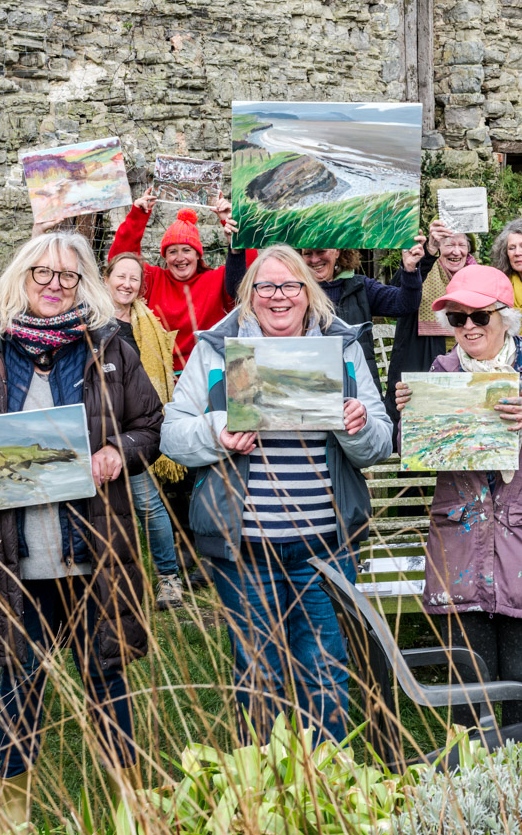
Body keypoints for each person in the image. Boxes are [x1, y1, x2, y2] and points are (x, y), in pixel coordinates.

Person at [0, 231, 161, 825]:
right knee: (16, 681)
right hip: (10, 551)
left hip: (91, 548)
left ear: (84, 281)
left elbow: (148, 423)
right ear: (20, 277)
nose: (54, 286)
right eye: (42, 274)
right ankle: (17, 809)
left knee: (105, 675)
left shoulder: (110, 345)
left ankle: (130, 804)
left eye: (67, 276)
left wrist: (118, 452)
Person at [160, 246, 392, 741]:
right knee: (258, 676)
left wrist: (358, 426)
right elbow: (172, 436)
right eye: (266, 287)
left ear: (309, 293)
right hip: (244, 547)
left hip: (326, 544)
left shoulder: (341, 347)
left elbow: (379, 445)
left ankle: (328, 786)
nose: (279, 296)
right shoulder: (217, 348)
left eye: (290, 286)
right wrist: (217, 431)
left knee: (325, 672)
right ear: (250, 296)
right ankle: (264, 792)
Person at [392, 264, 522, 735]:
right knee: (468, 700)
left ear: (505, 317)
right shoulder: (441, 372)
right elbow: (416, 454)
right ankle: (468, 797)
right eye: (458, 317)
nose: (468, 327)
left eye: (480, 317)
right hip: (460, 548)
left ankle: (520, 794)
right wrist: (413, 418)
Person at [107, 253, 189, 610]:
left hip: (134, 429)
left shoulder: (148, 323)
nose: (127, 284)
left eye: (134, 279)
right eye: (120, 276)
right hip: (95, 425)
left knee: (148, 505)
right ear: (106, 278)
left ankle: (169, 580)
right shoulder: (87, 318)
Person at [107, 189, 245, 370]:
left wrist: (231, 226)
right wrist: (137, 217)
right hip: (155, 375)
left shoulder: (217, 279)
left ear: (197, 255)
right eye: (172, 251)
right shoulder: (153, 279)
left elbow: (248, 277)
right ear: (165, 257)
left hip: (205, 375)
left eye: (186, 250)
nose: (180, 258)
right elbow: (121, 262)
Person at [299, 239, 426, 395]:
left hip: (361, 391)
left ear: (337, 251)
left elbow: (405, 304)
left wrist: (410, 269)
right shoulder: (293, 291)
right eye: (307, 254)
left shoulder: (360, 287)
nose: (314, 259)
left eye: (321, 252)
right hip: (311, 388)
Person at [387, 221, 476, 413]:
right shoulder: (420, 269)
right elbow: (395, 292)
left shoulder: (477, 277)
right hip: (418, 363)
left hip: (464, 371)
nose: (456, 251)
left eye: (461, 245)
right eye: (449, 245)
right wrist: (427, 253)